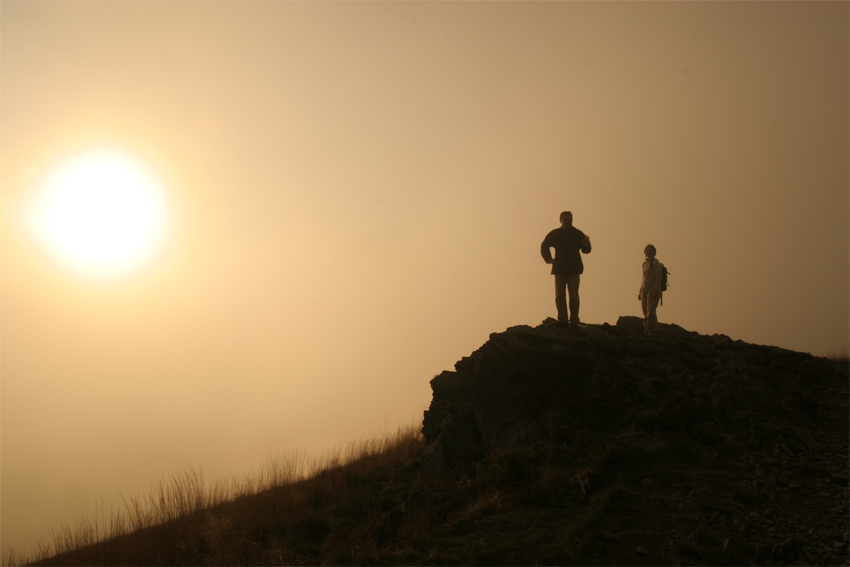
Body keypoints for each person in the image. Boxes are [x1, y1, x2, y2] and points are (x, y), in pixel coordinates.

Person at [540, 211, 592, 326]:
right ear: (561, 221)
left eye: (569, 219)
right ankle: (562, 319)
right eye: (565, 220)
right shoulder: (555, 234)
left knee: (573, 295)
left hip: (574, 269)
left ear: (572, 220)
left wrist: (586, 245)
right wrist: (549, 259)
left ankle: (574, 318)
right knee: (560, 295)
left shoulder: (577, 233)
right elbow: (544, 246)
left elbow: (586, 251)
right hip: (559, 269)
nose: (567, 222)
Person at [639, 244, 662, 336]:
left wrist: (656, 290)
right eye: (647, 250)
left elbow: (658, 277)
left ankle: (652, 331)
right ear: (645, 252)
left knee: (651, 311)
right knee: (645, 311)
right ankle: (646, 330)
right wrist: (640, 291)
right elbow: (643, 278)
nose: (649, 251)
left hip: (652, 289)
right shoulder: (644, 264)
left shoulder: (655, 262)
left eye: (651, 250)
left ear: (654, 252)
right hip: (644, 289)